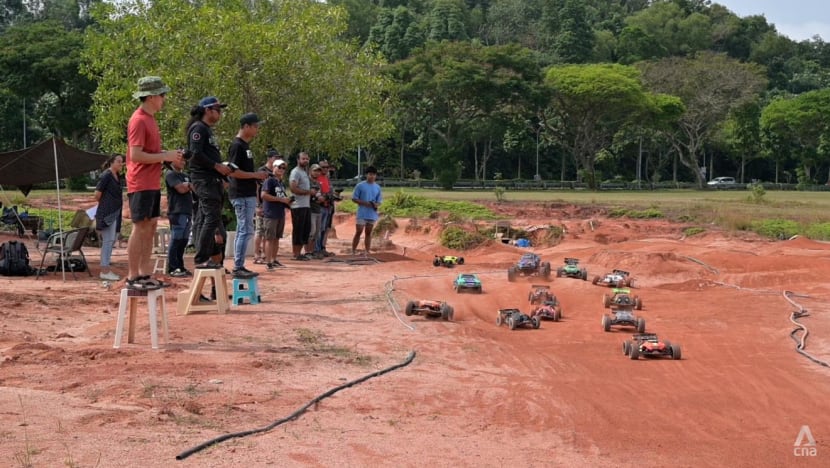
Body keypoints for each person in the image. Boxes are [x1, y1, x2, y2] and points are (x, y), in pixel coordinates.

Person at [124, 76, 183, 290]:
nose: (163, 99)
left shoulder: (150, 119)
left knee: (150, 226)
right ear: (150, 97)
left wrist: (167, 157)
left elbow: (151, 153)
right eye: (161, 95)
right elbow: (136, 155)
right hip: (139, 181)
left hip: (151, 182)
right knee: (140, 227)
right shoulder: (138, 120)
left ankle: (144, 273)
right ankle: (132, 276)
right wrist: (165, 156)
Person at [186, 96, 233, 270]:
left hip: (212, 180)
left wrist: (222, 174)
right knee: (211, 217)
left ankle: (209, 254)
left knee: (206, 217)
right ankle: (201, 258)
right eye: (217, 110)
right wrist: (216, 166)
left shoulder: (208, 130)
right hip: (203, 180)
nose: (219, 114)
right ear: (207, 110)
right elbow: (195, 154)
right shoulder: (198, 128)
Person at [226, 113, 268, 278]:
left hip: (248, 193)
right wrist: (255, 176)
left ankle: (240, 264)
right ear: (246, 126)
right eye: (255, 126)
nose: (257, 129)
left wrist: (256, 176)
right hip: (241, 193)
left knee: (246, 229)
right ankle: (238, 266)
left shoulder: (246, 146)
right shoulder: (237, 146)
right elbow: (233, 172)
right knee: (244, 229)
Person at [94, 154, 124, 281]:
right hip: (107, 212)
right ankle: (104, 270)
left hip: (116, 212)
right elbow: (97, 194)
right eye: (118, 161)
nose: (120, 164)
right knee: (107, 241)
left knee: (112, 240)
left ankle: (106, 267)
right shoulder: (106, 175)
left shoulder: (118, 177)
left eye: (122, 162)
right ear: (111, 162)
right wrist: (107, 203)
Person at [260, 158, 291, 270]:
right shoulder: (270, 181)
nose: (281, 169)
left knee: (276, 238)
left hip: (279, 212)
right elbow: (263, 195)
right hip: (271, 213)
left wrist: (286, 201)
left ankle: (274, 259)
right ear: (273, 167)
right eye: (279, 167)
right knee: (269, 238)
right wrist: (281, 200)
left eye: (283, 168)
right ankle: (268, 261)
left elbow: (281, 198)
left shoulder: (280, 183)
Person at [165, 157, 193, 277]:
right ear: (172, 161)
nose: (183, 161)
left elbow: (194, 188)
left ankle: (180, 266)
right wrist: (187, 186)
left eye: (184, 160)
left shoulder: (185, 175)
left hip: (187, 210)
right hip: (176, 211)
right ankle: (172, 267)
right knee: (176, 239)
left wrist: (188, 185)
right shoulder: (170, 174)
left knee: (184, 240)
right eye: (180, 159)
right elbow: (181, 189)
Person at [254, 148, 280, 264]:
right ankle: (256, 254)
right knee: (259, 230)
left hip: (272, 207)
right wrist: (257, 205)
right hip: (262, 204)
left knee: (268, 232)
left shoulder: (276, 172)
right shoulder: (262, 171)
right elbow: (257, 189)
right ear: (269, 158)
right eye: (275, 157)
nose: (277, 160)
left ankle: (266, 254)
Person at [289, 151, 316, 260]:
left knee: (305, 230)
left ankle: (299, 253)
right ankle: (296, 254)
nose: (305, 160)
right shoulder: (295, 172)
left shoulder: (304, 172)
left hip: (306, 205)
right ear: (298, 160)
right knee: (298, 230)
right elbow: (293, 188)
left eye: (307, 159)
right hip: (297, 206)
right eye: (303, 158)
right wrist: (308, 192)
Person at [351, 166, 382, 254]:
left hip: (371, 213)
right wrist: (365, 203)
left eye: (374, 175)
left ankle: (367, 251)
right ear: (366, 175)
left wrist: (376, 204)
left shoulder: (377, 187)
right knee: (359, 231)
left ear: (376, 176)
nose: (372, 176)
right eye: (370, 174)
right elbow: (354, 198)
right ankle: (353, 250)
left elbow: (379, 201)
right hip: (362, 213)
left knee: (368, 232)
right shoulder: (360, 186)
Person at [315, 159, 335, 257]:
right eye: (323, 167)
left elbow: (329, 191)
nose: (326, 169)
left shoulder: (327, 178)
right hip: (320, 206)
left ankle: (322, 247)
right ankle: (317, 249)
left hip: (328, 206)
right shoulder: (317, 178)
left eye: (327, 167)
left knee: (325, 228)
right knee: (319, 229)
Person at [307, 164, 324, 258]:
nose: (317, 173)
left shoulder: (318, 183)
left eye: (318, 171)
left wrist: (321, 199)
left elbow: (319, 195)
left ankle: (312, 251)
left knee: (317, 232)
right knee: (311, 231)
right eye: (315, 170)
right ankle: (308, 251)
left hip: (318, 209)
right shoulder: (307, 182)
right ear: (310, 171)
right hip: (310, 209)